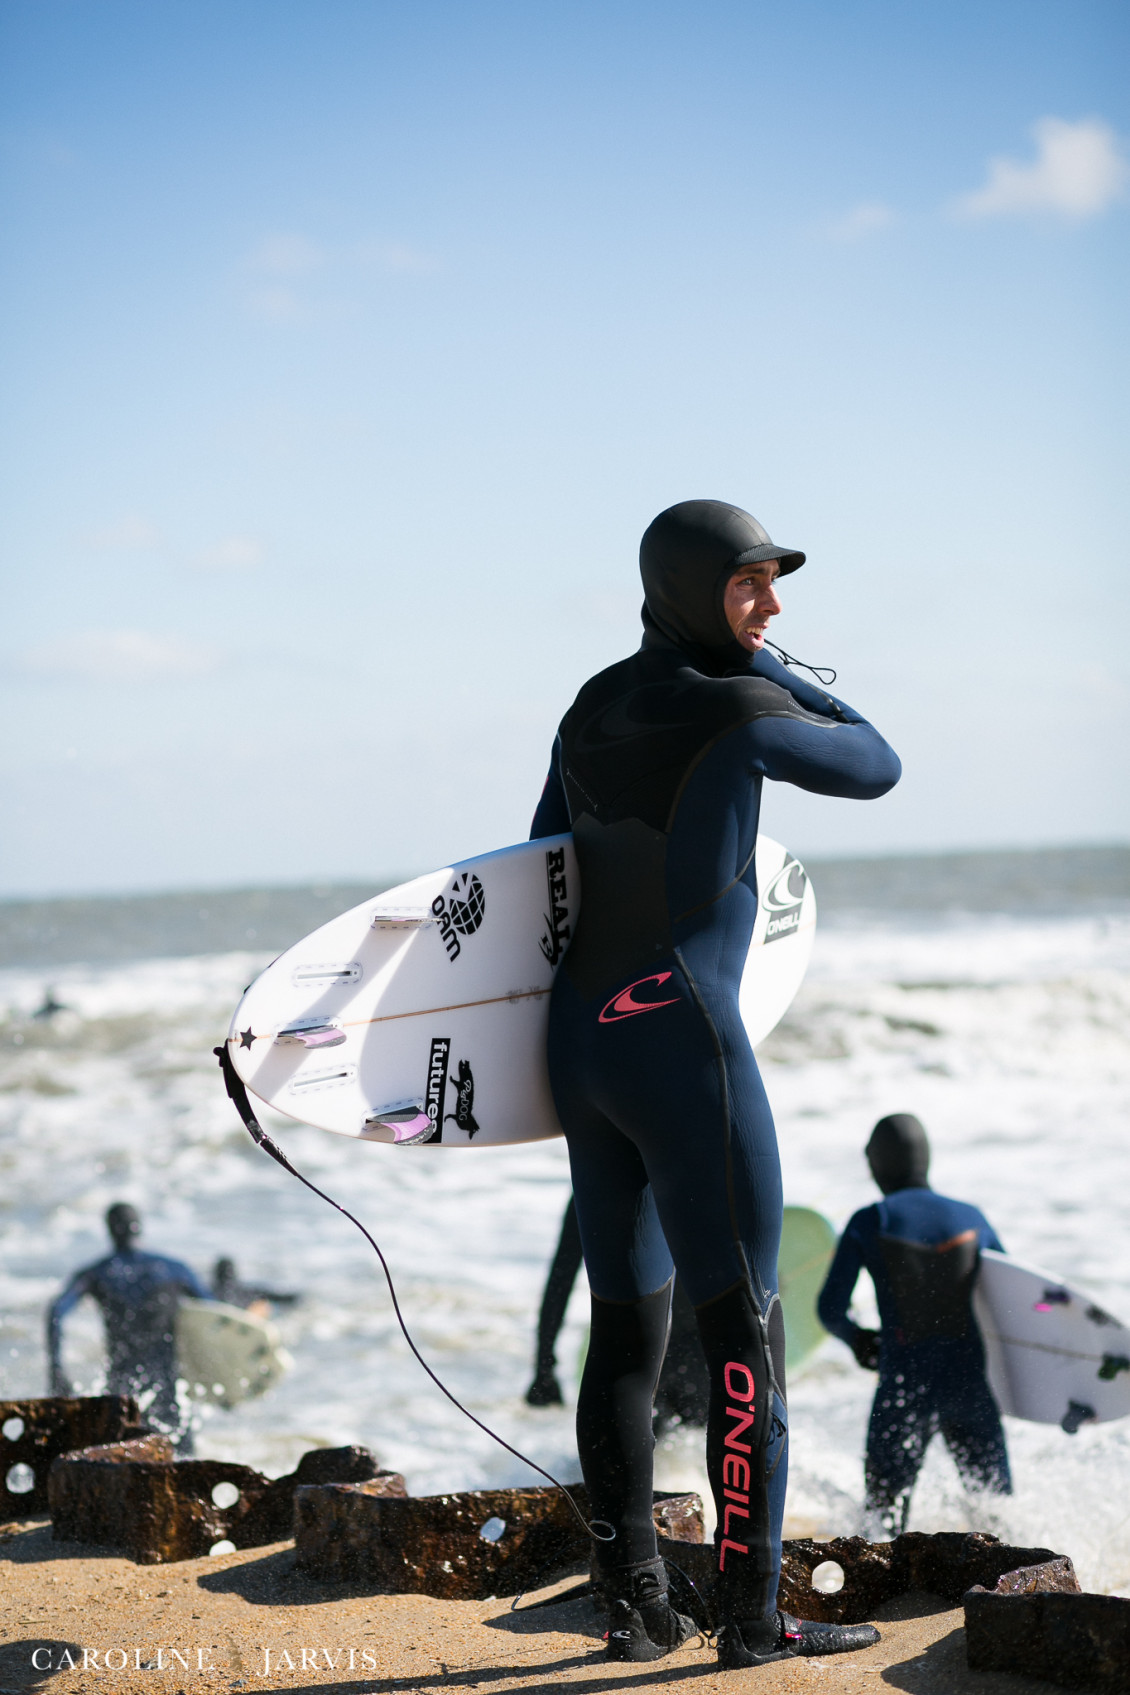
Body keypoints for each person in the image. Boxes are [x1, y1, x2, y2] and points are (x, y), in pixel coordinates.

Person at [529, 499, 900, 1668]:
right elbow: (877, 765)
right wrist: (788, 676)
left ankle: (634, 1606)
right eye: (749, 587)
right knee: (743, 1330)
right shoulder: (741, 708)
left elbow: (538, 864)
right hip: (685, 1046)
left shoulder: (588, 706)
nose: (771, 606)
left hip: (581, 1045)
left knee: (623, 1335)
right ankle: (749, 1619)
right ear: (694, 589)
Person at [817, 1113, 1012, 1535]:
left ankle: (893, 1595)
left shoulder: (871, 1220)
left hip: (905, 1383)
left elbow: (830, 1308)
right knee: (996, 1516)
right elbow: (1013, 1301)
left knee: (883, 1518)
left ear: (876, 1163)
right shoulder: (972, 1218)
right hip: (971, 1385)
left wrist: (859, 1341)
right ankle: (1005, 1592)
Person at [525, 1196, 710, 1429]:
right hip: (699, 1354)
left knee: (622, 1455)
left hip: (635, 1354)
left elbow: (560, 1280)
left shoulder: (599, 1181)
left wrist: (544, 1364)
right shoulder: (694, 1177)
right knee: (692, 1454)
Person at [47, 1202, 213, 1453]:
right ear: (139, 1228)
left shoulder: (97, 1273)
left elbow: (56, 1312)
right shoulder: (174, 1269)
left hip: (121, 1389)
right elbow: (216, 1314)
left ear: (110, 1231)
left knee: (117, 1454)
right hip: (168, 1388)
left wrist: (56, 1367)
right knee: (182, 1457)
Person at [210, 1256, 299, 1318]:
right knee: (264, 1304)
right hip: (242, 1316)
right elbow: (278, 1297)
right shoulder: (247, 1290)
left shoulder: (210, 1290)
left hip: (217, 1312)